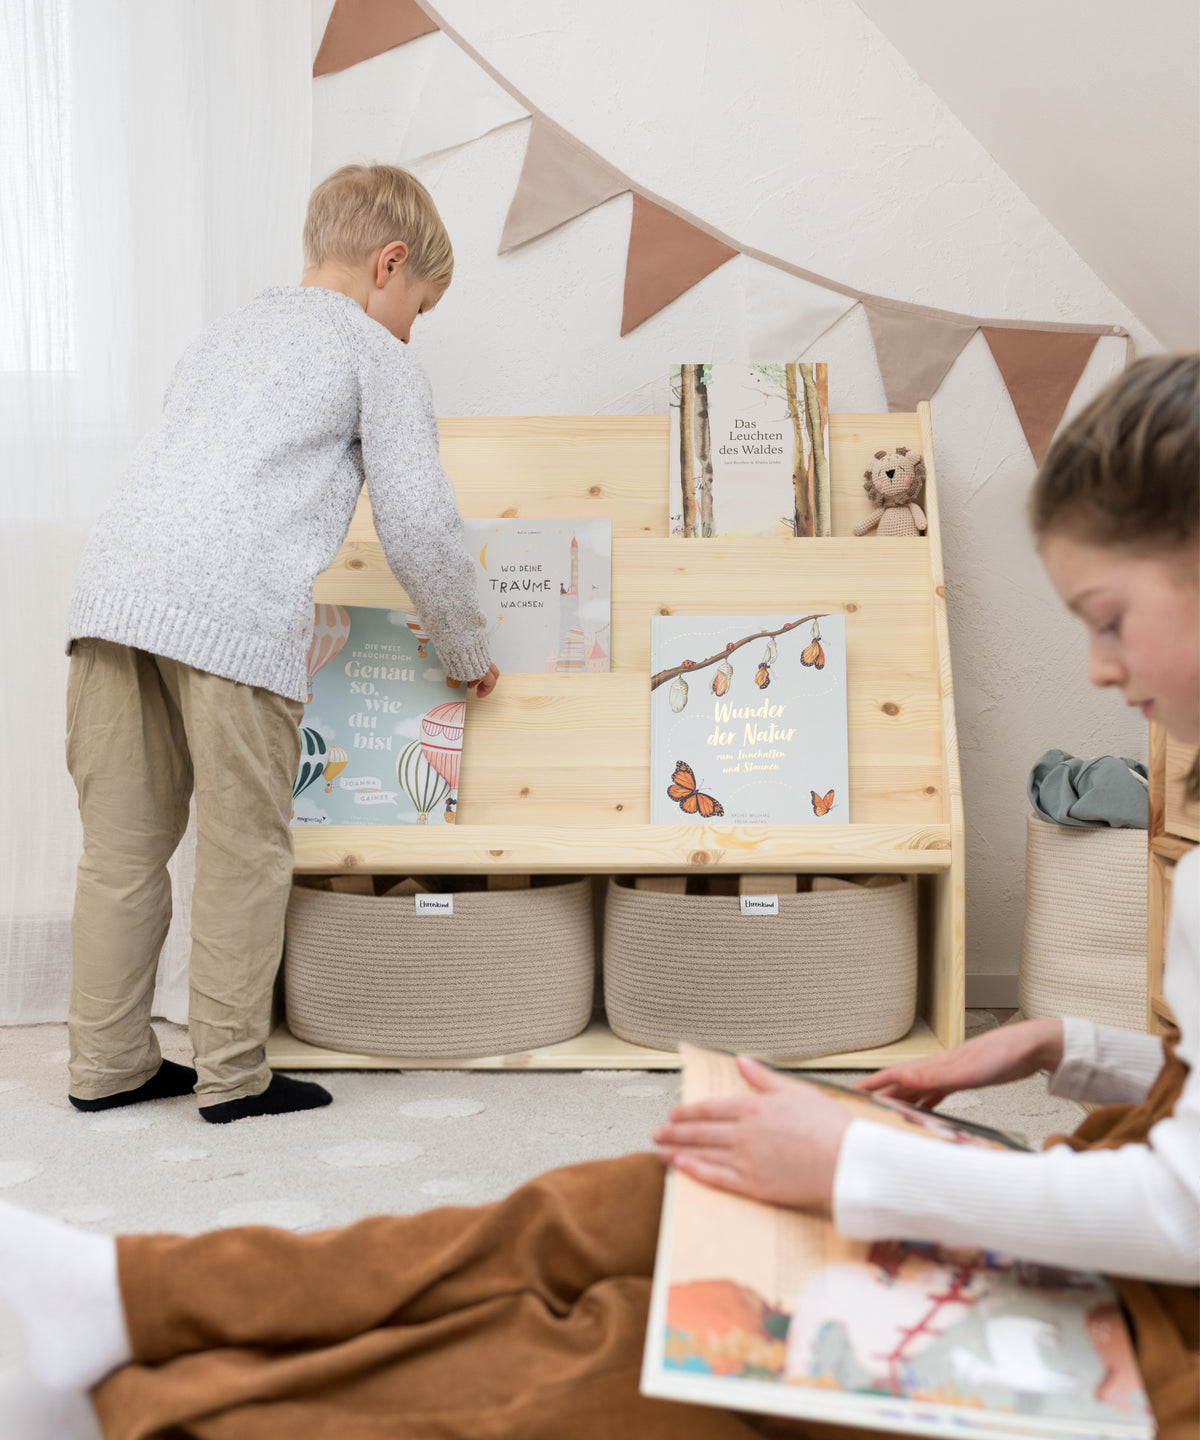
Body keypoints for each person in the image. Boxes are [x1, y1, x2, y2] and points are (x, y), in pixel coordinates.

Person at [1, 355, 1194, 1437]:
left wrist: (849, 1160)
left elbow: (1180, 1214)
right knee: (628, 1204)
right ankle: (129, 1299)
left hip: (1150, 1341)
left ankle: (139, 1408)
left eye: (1108, 620)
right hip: (1106, 1215)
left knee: (610, 1360)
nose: (1095, 666)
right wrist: (1080, 1050)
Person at [62, 164, 498, 1125]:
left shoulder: (222, 336)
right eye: (417, 307)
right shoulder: (373, 355)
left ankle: (106, 1065)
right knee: (241, 848)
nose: (412, 330)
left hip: (109, 597)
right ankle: (232, 1076)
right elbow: (419, 520)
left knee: (121, 853)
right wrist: (466, 647)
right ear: (390, 264)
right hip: (228, 609)